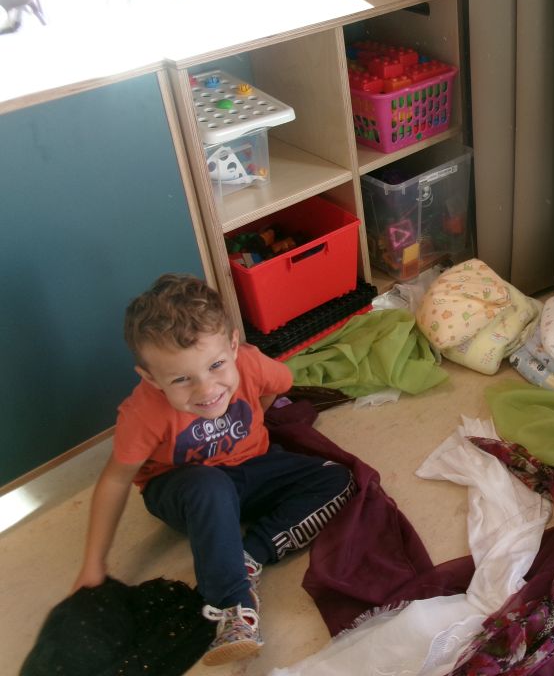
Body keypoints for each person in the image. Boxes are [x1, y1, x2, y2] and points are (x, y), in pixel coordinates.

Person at [71, 273, 356, 666]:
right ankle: (232, 606)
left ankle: (248, 556)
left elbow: (280, 383)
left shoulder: (250, 363)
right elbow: (115, 480)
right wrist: (93, 564)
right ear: (151, 379)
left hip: (251, 465)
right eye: (181, 379)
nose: (206, 390)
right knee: (208, 484)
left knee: (338, 478)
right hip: (184, 489)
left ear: (234, 346)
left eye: (217, 365)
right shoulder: (142, 413)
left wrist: (258, 421)